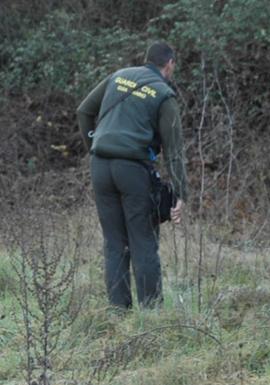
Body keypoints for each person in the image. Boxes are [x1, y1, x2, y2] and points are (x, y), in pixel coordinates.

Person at [77, 41, 188, 309]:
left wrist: (93, 145)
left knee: (115, 243)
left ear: (145, 59)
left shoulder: (119, 76)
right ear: (170, 64)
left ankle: (118, 313)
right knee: (143, 242)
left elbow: (84, 111)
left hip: (100, 166)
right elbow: (174, 151)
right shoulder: (164, 95)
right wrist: (181, 193)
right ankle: (150, 316)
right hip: (134, 170)